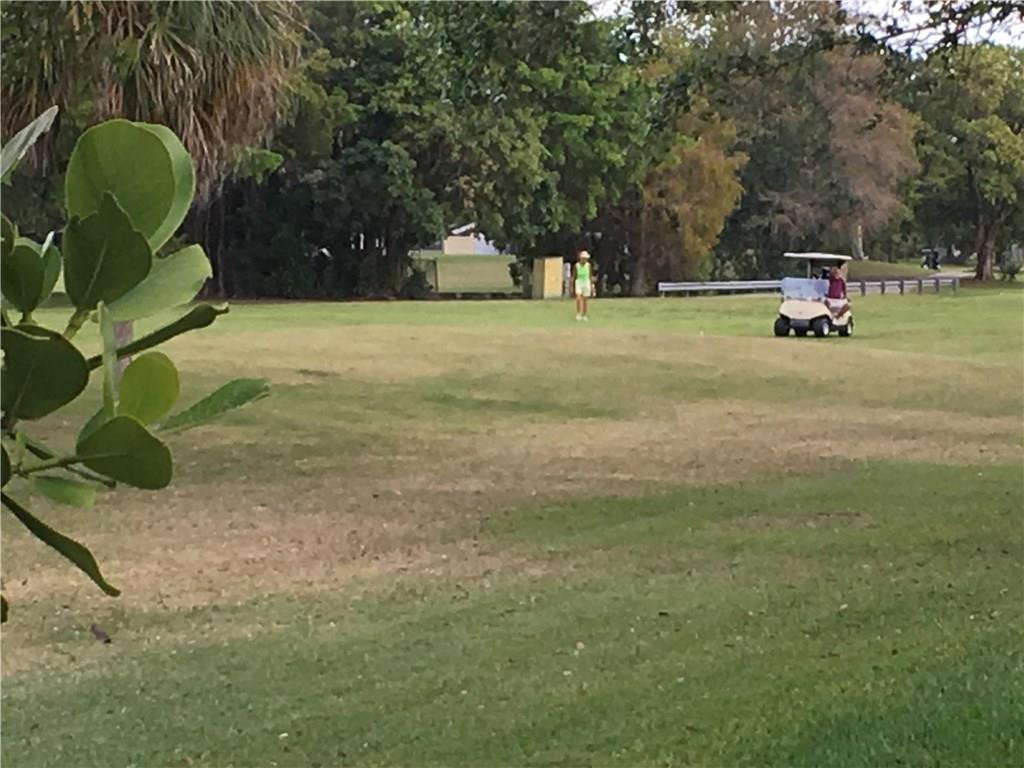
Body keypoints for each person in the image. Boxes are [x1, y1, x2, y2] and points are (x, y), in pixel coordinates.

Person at [572, 250, 595, 321]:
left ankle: (584, 314)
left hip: (586, 282)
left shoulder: (588, 265)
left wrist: (592, 286)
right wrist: (572, 286)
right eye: (584, 258)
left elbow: (590, 276)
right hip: (579, 282)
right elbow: (574, 276)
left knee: (585, 300)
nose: (585, 260)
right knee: (578, 298)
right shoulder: (577, 265)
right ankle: (579, 313)